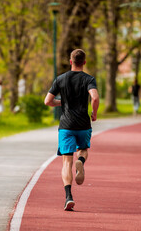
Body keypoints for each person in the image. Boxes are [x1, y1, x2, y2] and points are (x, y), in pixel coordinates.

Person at [44, 49, 99, 211]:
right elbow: (95, 97)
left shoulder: (61, 79)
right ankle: (80, 162)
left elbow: (48, 101)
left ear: (70, 61)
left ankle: (68, 197)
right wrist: (94, 113)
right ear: (84, 62)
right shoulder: (89, 79)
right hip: (83, 124)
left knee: (66, 162)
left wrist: (63, 102)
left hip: (66, 126)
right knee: (83, 150)